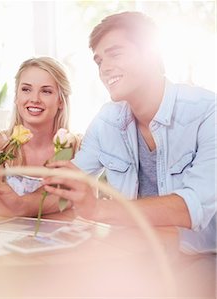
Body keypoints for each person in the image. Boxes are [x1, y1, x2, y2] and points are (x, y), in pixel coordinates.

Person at [43, 11, 216, 253]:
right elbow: (71, 184)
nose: (104, 68)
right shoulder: (107, 120)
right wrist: (2, 193)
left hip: (201, 255)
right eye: (99, 61)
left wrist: (99, 209)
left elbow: (192, 208)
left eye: (114, 54)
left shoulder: (208, 112)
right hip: (134, 254)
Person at [0, 57, 79, 217]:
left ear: (61, 100)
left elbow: (79, 204)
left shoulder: (75, 147)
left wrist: (15, 208)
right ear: (16, 97)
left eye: (46, 91)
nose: (34, 99)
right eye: (26, 89)